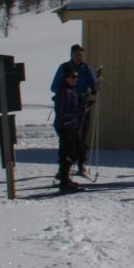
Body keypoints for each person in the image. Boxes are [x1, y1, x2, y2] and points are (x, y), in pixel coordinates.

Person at [49, 44, 99, 176]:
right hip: (66, 106)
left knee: (81, 136)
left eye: (81, 55)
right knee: (66, 139)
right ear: (71, 55)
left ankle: (81, 163)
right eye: (76, 54)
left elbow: (93, 86)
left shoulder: (86, 68)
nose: (79, 57)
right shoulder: (64, 68)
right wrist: (67, 91)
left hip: (82, 106)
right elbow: (54, 87)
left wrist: (95, 88)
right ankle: (63, 167)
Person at [52, 66, 85, 192]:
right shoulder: (64, 91)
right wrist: (81, 110)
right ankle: (64, 181)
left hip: (71, 126)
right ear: (66, 78)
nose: (75, 79)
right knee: (69, 153)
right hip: (65, 126)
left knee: (78, 151)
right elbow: (64, 111)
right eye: (73, 77)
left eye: (76, 76)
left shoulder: (71, 90)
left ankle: (65, 177)